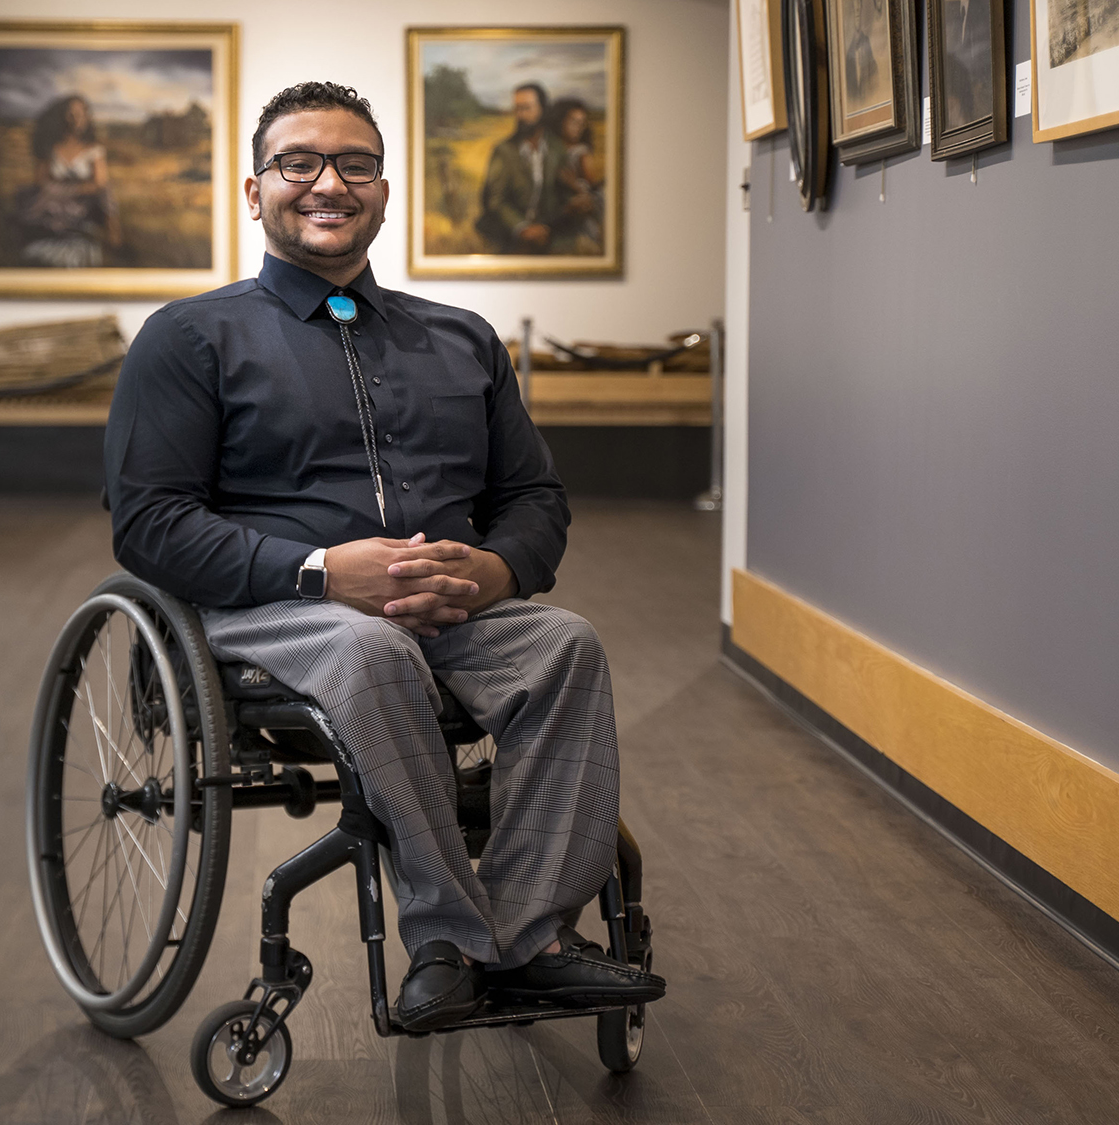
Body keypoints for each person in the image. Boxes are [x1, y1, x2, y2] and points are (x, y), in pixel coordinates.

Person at [106, 81, 665, 1031]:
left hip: (452, 608)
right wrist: (323, 571)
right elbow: (150, 523)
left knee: (565, 643)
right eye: (299, 163)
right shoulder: (191, 338)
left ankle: (531, 937)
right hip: (269, 610)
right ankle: (447, 937)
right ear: (255, 191)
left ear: (383, 187)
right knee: (370, 650)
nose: (328, 182)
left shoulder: (463, 339)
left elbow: (533, 500)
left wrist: (494, 572)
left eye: (354, 164)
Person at [16, 94, 120, 268]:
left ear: (86, 117)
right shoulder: (52, 148)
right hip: (51, 205)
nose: (76, 119)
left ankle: (113, 235)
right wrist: (59, 190)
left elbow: (99, 184)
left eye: (80, 114)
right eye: (71, 114)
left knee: (106, 194)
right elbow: (40, 182)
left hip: (80, 207)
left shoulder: (94, 149)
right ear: (62, 117)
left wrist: (65, 189)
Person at [474, 83, 568, 254]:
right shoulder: (504, 151)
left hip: (549, 231)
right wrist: (522, 228)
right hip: (509, 234)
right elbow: (495, 201)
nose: (521, 115)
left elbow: (561, 192)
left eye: (526, 108)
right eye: (517, 109)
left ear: (543, 110)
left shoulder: (556, 148)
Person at [548, 96, 604, 254]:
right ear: (560, 121)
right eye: (573, 121)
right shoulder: (551, 149)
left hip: (579, 221)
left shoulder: (581, 153)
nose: (578, 127)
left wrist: (573, 185)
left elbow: (594, 193)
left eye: (582, 123)